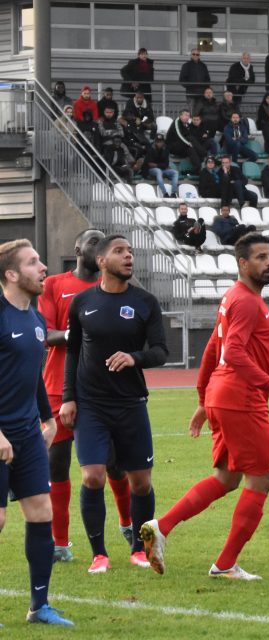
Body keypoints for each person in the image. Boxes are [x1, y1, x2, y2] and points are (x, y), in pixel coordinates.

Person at [140, 234, 269, 581]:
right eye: (261, 257)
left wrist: (203, 399)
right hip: (241, 398)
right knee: (261, 480)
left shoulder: (233, 298)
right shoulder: (246, 302)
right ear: (243, 264)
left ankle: (161, 526)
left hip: (222, 395)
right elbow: (236, 353)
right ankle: (225, 564)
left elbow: (215, 347)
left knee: (227, 478)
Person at [61, 235, 168, 573]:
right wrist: (68, 398)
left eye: (131, 252)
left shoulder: (146, 302)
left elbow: (161, 352)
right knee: (93, 477)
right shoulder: (81, 303)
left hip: (131, 404)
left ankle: (139, 548)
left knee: (141, 483)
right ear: (102, 261)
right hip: (91, 405)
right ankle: (99, 554)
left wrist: (134, 357)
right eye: (120, 252)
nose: (128, 257)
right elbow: (73, 352)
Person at [39, 230, 138, 565]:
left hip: (102, 389)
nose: (100, 249)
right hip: (58, 386)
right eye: (94, 242)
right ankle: (60, 542)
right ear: (78, 248)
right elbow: (45, 333)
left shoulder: (115, 290)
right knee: (58, 463)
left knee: (112, 463)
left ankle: (127, 524)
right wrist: (75, 333)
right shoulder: (55, 285)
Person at [0, 239, 76, 626]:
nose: (43, 267)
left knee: (41, 512)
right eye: (33, 263)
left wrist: (47, 419)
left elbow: (30, 378)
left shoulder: (33, 317)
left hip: (27, 432)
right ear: (11, 275)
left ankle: (39, 606)